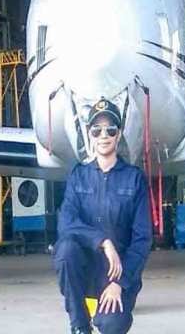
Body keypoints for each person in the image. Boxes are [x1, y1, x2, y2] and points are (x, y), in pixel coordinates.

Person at [54, 98, 152, 334]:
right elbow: (66, 224)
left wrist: (120, 283)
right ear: (90, 134)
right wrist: (103, 241)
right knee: (65, 250)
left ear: (119, 135)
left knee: (111, 324)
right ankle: (79, 326)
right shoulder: (78, 176)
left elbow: (142, 239)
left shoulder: (134, 179)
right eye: (97, 130)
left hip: (118, 274)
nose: (103, 136)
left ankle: (108, 317)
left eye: (111, 130)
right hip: (86, 269)